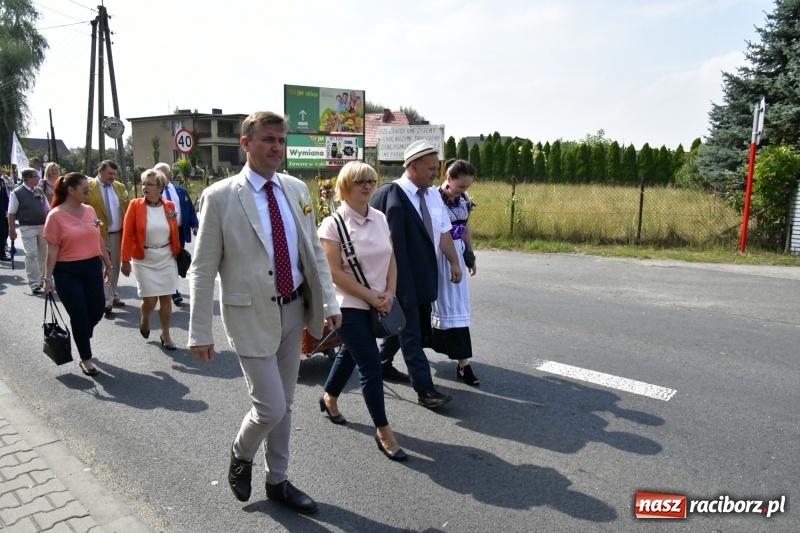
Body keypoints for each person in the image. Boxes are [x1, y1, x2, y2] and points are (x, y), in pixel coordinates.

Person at [188, 111, 341, 513]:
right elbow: (202, 269)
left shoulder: (296, 190)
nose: (276, 147)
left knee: (286, 404)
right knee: (270, 406)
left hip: (295, 311)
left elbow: (314, 254)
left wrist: (330, 303)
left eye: (280, 140)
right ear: (246, 144)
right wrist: (199, 330)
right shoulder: (221, 197)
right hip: (248, 316)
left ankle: (279, 481)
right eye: (268, 140)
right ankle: (241, 453)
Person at [318, 161, 407, 461]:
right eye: (360, 182)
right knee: (370, 365)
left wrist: (390, 293)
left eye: (371, 180)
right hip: (348, 306)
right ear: (345, 186)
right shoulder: (332, 224)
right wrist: (372, 296)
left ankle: (329, 397)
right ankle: (383, 430)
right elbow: (333, 273)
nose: (368, 186)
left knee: (351, 353)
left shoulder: (380, 217)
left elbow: (391, 256)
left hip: (381, 301)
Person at [370, 140, 462, 409]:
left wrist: (454, 262)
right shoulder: (390, 195)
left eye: (437, 168)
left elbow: (443, 231)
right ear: (413, 166)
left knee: (406, 324)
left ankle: (383, 363)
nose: (436, 173)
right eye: (431, 168)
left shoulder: (432, 194)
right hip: (398, 276)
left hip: (424, 274)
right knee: (411, 331)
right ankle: (425, 390)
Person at [42, 172, 113, 377]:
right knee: (79, 314)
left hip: (92, 268)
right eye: (85, 189)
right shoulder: (54, 216)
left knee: (97, 309)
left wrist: (108, 265)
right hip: (67, 272)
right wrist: (47, 279)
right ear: (70, 190)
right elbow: (52, 250)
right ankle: (86, 358)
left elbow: (98, 239)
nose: (88, 192)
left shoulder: (90, 211)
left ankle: (82, 332)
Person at [431, 159, 480, 386]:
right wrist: (453, 261)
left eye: (467, 187)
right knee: (431, 306)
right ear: (448, 178)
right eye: (461, 186)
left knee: (457, 307)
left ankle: (463, 363)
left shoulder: (463, 200)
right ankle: (389, 356)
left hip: (457, 254)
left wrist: (469, 255)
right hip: (440, 256)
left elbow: (465, 228)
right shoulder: (432, 198)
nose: (464, 191)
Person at [120, 169, 181, 350]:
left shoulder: (169, 206)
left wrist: (177, 253)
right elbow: (128, 233)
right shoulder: (135, 205)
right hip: (144, 258)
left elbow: (174, 231)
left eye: (149, 184)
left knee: (166, 298)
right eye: (143, 183)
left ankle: (166, 334)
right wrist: (124, 260)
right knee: (150, 301)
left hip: (166, 257)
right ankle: (145, 319)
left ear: (160, 187)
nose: (144, 187)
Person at [85, 160, 129, 314]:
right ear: (100, 171)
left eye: (115, 174)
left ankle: (111, 293)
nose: (112, 177)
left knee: (115, 266)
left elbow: (127, 209)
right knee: (103, 267)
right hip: (97, 234)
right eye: (110, 173)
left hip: (117, 233)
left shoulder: (120, 187)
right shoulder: (89, 187)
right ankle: (107, 300)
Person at [154, 162, 199, 305]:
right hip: (160, 233)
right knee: (165, 261)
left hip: (178, 231)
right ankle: (170, 290)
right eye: (156, 173)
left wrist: (195, 225)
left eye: (162, 173)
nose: (159, 176)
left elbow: (190, 210)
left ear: (169, 175)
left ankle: (173, 289)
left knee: (177, 260)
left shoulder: (180, 191)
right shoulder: (152, 192)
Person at [7, 168, 50, 292]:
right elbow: (11, 213)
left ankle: (42, 279)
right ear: (28, 179)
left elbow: (47, 209)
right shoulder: (17, 193)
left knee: (43, 254)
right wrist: (12, 230)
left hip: (42, 226)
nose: (39, 178)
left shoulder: (39, 191)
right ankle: (34, 282)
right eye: (36, 176)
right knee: (31, 255)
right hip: (27, 227)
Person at [0, 168, 10, 260]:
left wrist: (8, 209)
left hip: (2, 211)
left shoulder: (2, 181)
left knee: (4, 232)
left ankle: (1, 252)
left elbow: (5, 196)